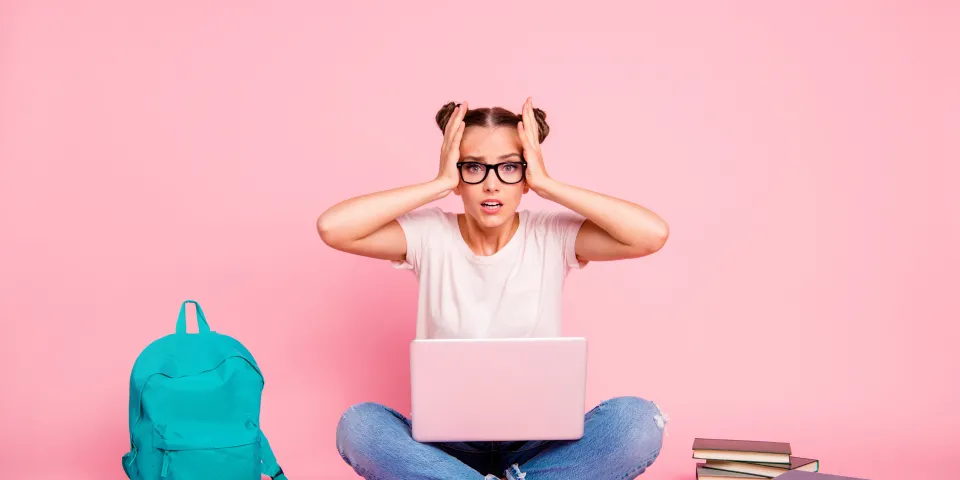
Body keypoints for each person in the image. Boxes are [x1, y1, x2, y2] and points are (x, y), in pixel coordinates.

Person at [316, 97, 670, 480]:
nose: (490, 184)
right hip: (445, 447)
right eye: (473, 167)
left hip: (538, 443)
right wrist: (437, 185)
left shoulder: (549, 235)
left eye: (508, 167)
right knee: (360, 426)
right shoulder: (429, 234)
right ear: (457, 174)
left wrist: (549, 186)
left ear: (526, 173)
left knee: (638, 421)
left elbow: (651, 235)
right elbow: (334, 228)